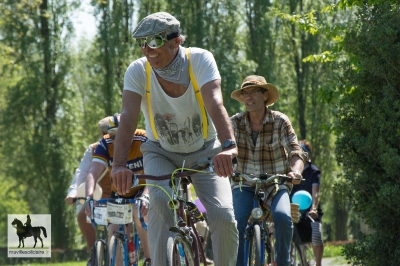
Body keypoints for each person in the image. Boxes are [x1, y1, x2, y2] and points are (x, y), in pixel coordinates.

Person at [110, 12, 239, 265]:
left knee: (223, 215)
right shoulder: (138, 70)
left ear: (176, 40)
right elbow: (127, 117)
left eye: (155, 41)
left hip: (205, 150)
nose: (148, 49)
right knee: (158, 203)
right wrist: (118, 165)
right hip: (161, 152)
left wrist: (229, 146)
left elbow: (215, 102)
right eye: (142, 43)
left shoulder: (200, 59)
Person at [230, 75, 307, 266]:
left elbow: (295, 150)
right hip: (244, 183)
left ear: (265, 96)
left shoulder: (280, 121)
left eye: (253, 92)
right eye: (244, 94)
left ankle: (283, 262)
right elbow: (223, 149)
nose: (248, 97)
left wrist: (296, 171)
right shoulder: (235, 122)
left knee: (282, 217)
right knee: (236, 222)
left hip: (275, 184)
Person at [84, 114, 151, 266]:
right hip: (120, 190)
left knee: (139, 214)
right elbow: (93, 171)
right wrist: (89, 197)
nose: (117, 140)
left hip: (143, 187)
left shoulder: (144, 139)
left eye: (122, 135)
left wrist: (146, 196)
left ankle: (149, 259)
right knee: (113, 231)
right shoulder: (106, 143)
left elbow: (154, 173)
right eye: (113, 136)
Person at [64, 116, 112, 266]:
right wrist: (72, 193)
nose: (107, 137)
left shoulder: (125, 147)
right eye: (104, 133)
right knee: (82, 215)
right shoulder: (93, 149)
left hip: (120, 195)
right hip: (99, 197)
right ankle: (93, 254)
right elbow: (82, 172)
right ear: (100, 134)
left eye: (110, 133)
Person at [290, 140, 324, 266]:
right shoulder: (290, 171)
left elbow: (315, 193)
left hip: (311, 211)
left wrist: (314, 208)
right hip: (294, 209)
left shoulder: (314, 172)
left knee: (316, 236)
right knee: (287, 236)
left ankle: (318, 264)